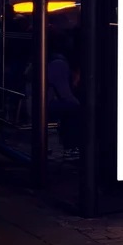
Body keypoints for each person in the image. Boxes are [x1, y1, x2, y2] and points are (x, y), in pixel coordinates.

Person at [47, 28, 81, 159]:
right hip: (47, 104)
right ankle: (71, 147)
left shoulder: (46, 57)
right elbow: (65, 94)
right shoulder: (59, 63)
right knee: (75, 109)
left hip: (34, 101)